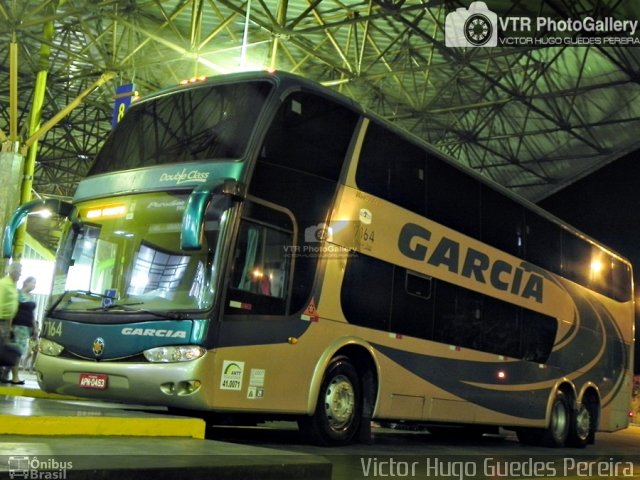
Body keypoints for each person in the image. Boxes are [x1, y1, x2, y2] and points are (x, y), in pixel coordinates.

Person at [0, 262, 22, 384]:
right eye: (19, 272)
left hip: (6, 322)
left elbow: (11, 307)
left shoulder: (13, 285)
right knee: (5, 350)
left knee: (5, 350)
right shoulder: (4, 284)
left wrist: (9, 326)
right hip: (0, 321)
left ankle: (3, 375)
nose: (20, 275)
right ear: (13, 272)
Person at [12, 276, 37, 381]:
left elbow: (32, 314)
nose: (34, 285)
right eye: (33, 283)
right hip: (18, 326)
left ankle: (14, 375)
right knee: (17, 352)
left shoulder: (31, 297)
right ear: (26, 283)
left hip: (27, 328)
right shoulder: (18, 294)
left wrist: (35, 328)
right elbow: (12, 309)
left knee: (20, 351)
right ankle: (15, 376)